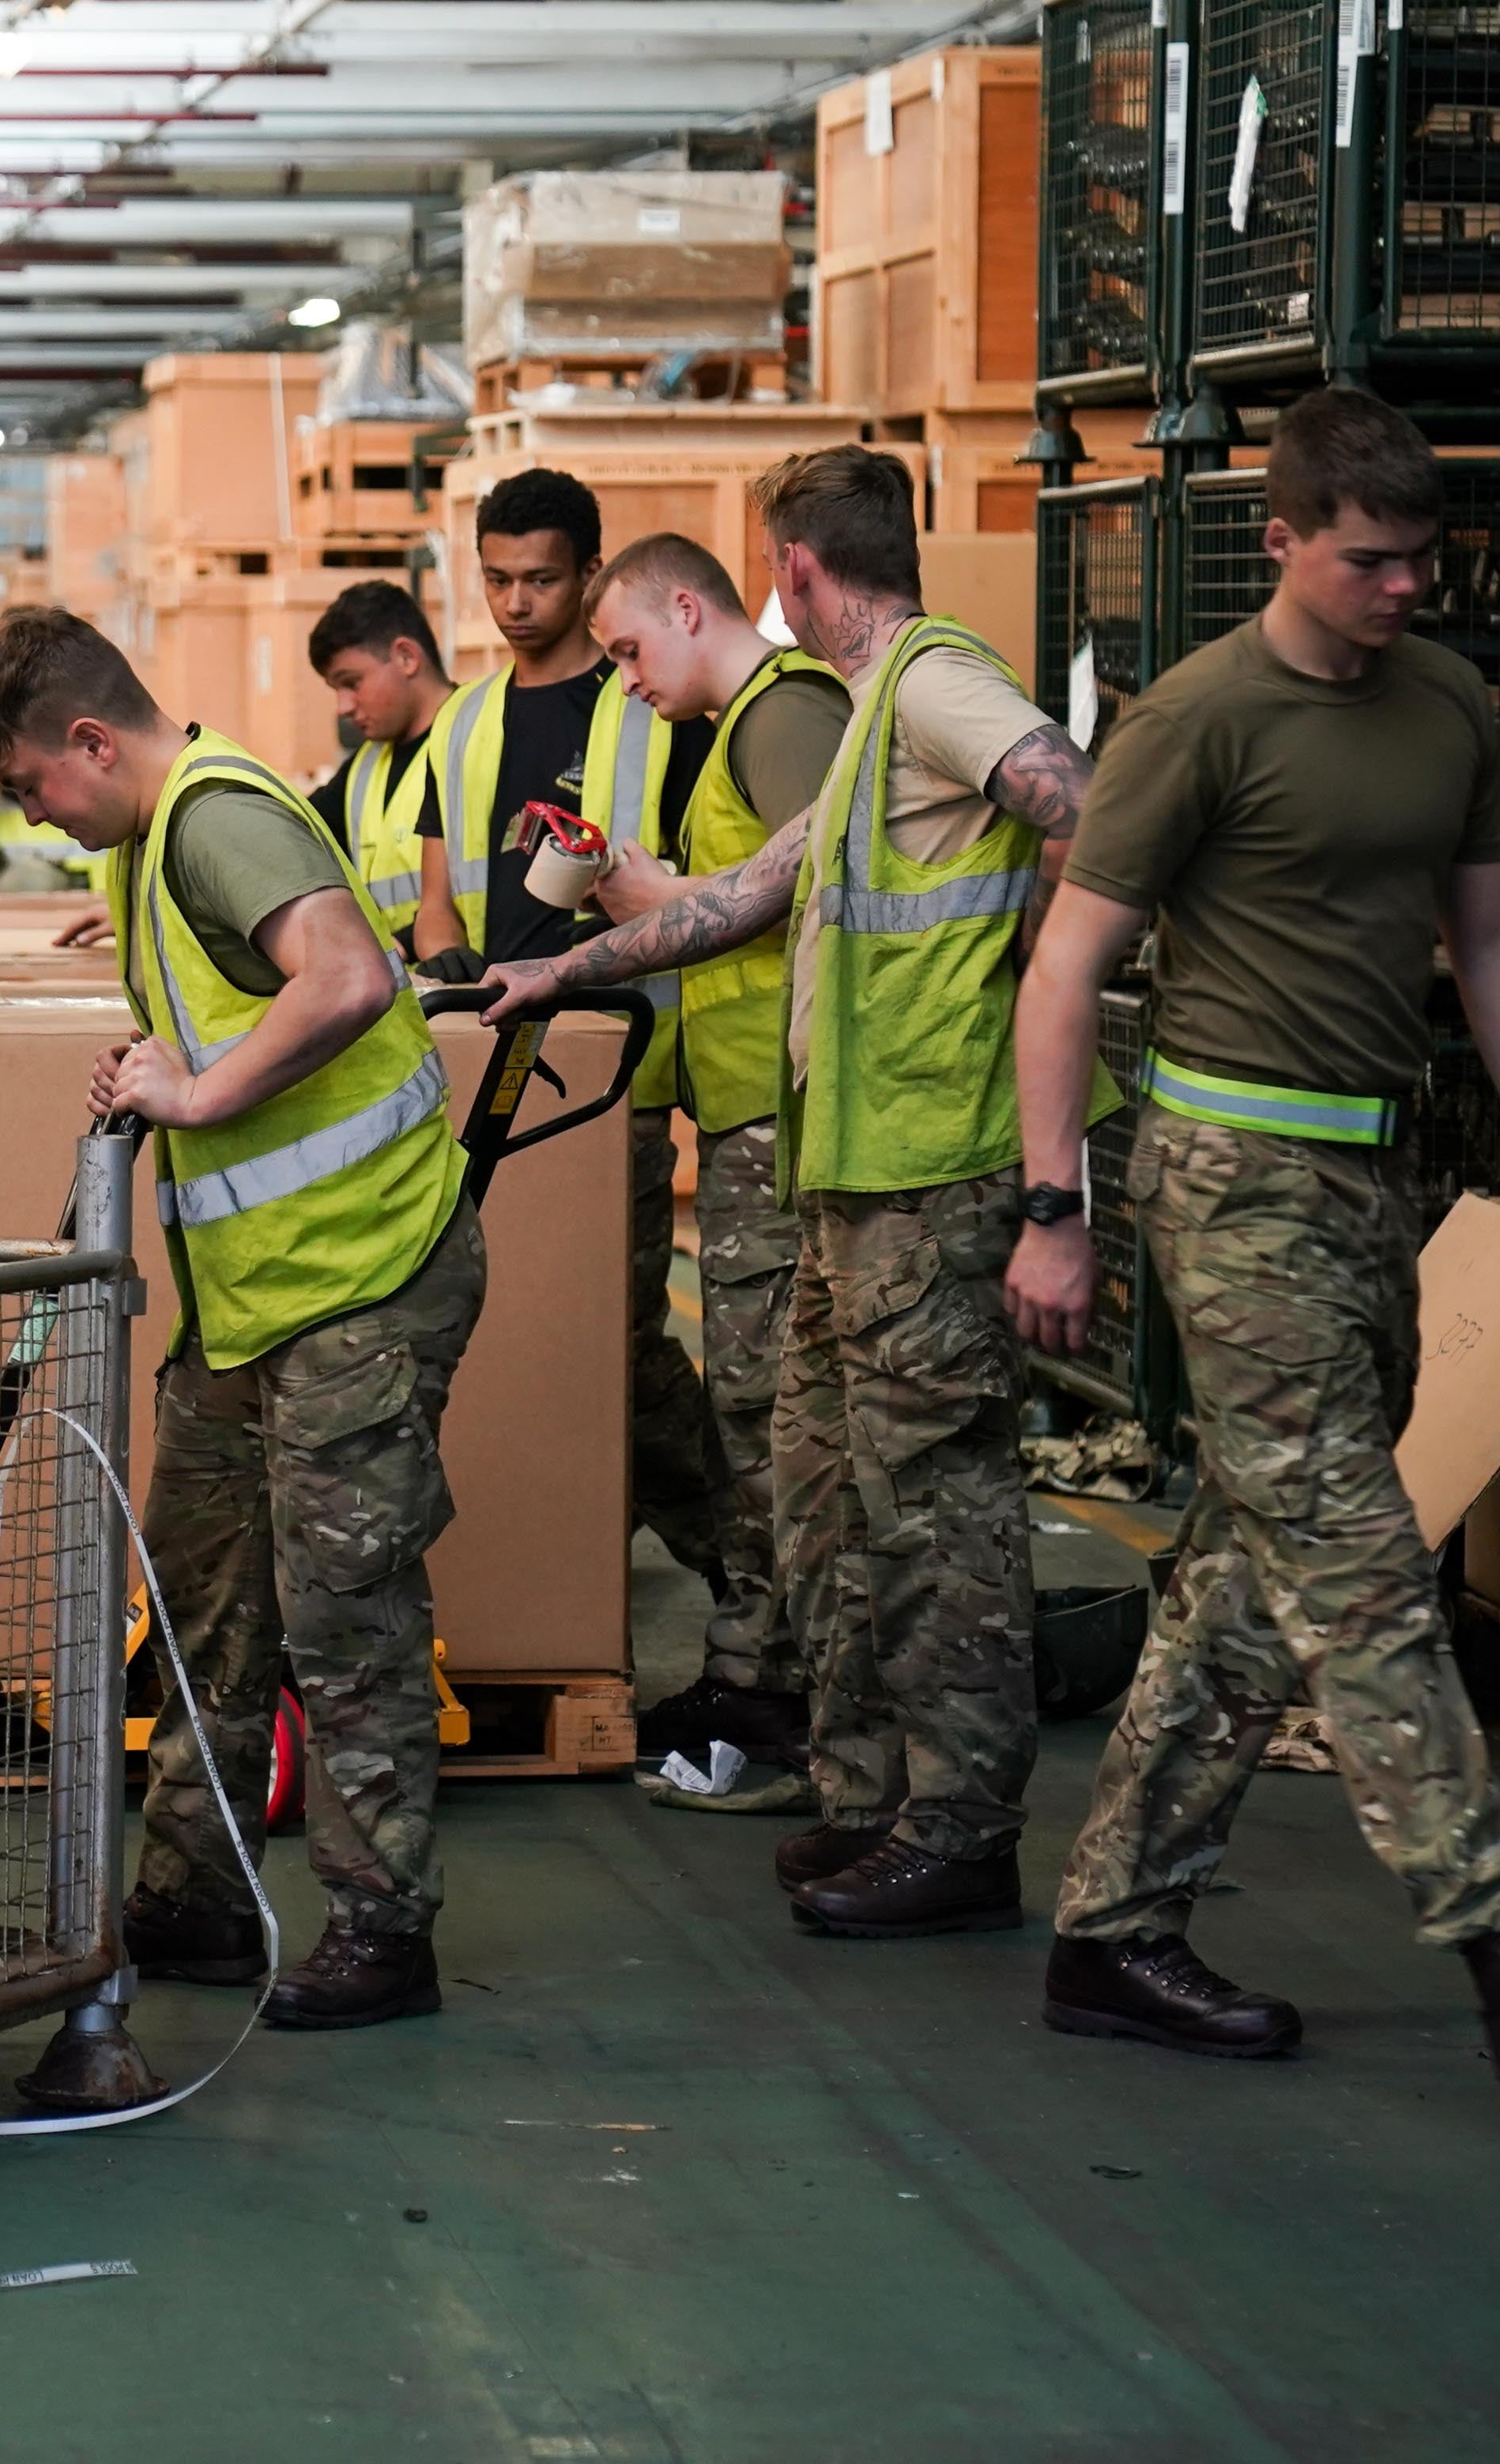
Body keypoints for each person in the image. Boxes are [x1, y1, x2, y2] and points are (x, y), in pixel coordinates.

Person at [1012, 387, 1500, 2112]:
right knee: (1359, 1565)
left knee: (1257, 1572)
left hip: (1370, 1182)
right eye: (1368, 560)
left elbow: (1490, 941)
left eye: (1418, 562)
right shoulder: (1197, 719)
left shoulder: (1444, 705)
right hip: (1227, 1179)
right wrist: (1052, 1206)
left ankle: (1108, 1931)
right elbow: (1061, 970)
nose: (1401, 589)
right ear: (1282, 540)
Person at [485, 444, 1093, 1940]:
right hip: (846, 1169)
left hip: (933, 1167)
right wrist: (563, 965)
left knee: (940, 1512)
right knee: (832, 1496)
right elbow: (751, 890)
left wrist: (1060, 1002)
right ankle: (884, 1798)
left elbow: (1085, 805)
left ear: (796, 569)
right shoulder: (877, 713)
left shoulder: (935, 685)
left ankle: (962, 1829)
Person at [0, 606, 484, 2031]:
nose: (38, 819)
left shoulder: (214, 816)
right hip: (255, 1298)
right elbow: (237, 997)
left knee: (344, 1607)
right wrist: (159, 1060)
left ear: (91, 739)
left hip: (363, 1272)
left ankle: (382, 1928)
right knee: (205, 1597)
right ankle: (196, 1891)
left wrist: (198, 1093)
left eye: (32, 789)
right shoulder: (146, 847)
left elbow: (352, 976)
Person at [410, 468, 714, 1670]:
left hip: (612, 1073)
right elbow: (436, 902)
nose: (516, 602)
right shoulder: (466, 721)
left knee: (616, 1340)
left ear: (592, 573)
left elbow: (708, 884)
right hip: (486, 1072)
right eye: (497, 578)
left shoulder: (653, 706)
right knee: (520, 1334)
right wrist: (450, 981)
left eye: (542, 578)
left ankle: (746, 1567)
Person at [578, 532, 851, 1816]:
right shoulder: (746, 719)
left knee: (770, 1415)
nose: (626, 680)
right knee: (756, 1409)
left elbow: (820, 887)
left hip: (784, 1116)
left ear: (689, 606)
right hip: (747, 1110)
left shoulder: (781, 716)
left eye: (631, 648)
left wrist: (654, 894)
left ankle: (779, 1691)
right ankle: (756, 1666)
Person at [304, 578, 450, 954]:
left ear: (406, 657)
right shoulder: (362, 771)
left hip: (476, 993)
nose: (343, 707)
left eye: (351, 683)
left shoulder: (481, 736)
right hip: (397, 998)